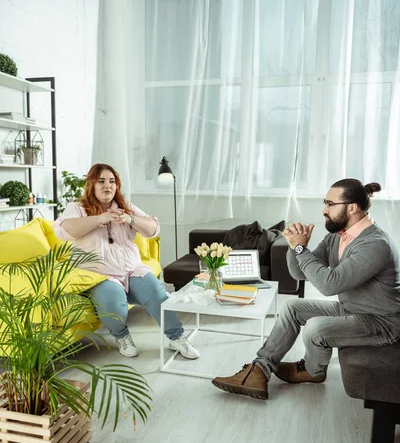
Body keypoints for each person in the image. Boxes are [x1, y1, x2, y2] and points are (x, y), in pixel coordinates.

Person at [212, 179, 400, 400]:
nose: (324, 210)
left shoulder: (375, 244)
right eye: (325, 203)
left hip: (382, 322)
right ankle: (259, 369)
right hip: (351, 310)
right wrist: (295, 247)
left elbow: (329, 285)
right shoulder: (336, 237)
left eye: (330, 204)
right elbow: (300, 274)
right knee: (292, 308)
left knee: (315, 328)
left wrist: (301, 248)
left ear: (352, 207)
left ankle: (313, 371)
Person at [54, 163, 200, 360]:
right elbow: (64, 230)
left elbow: (153, 228)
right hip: (100, 276)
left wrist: (130, 220)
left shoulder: (126, 207)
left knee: (157, 292)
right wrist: (99, 219)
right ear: (91, 185)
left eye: (112, 181)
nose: (108, 186)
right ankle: (122, 336)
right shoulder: (77, 209)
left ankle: (177, 337)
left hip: (132, 270)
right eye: (102, 181)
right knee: (113, 302)